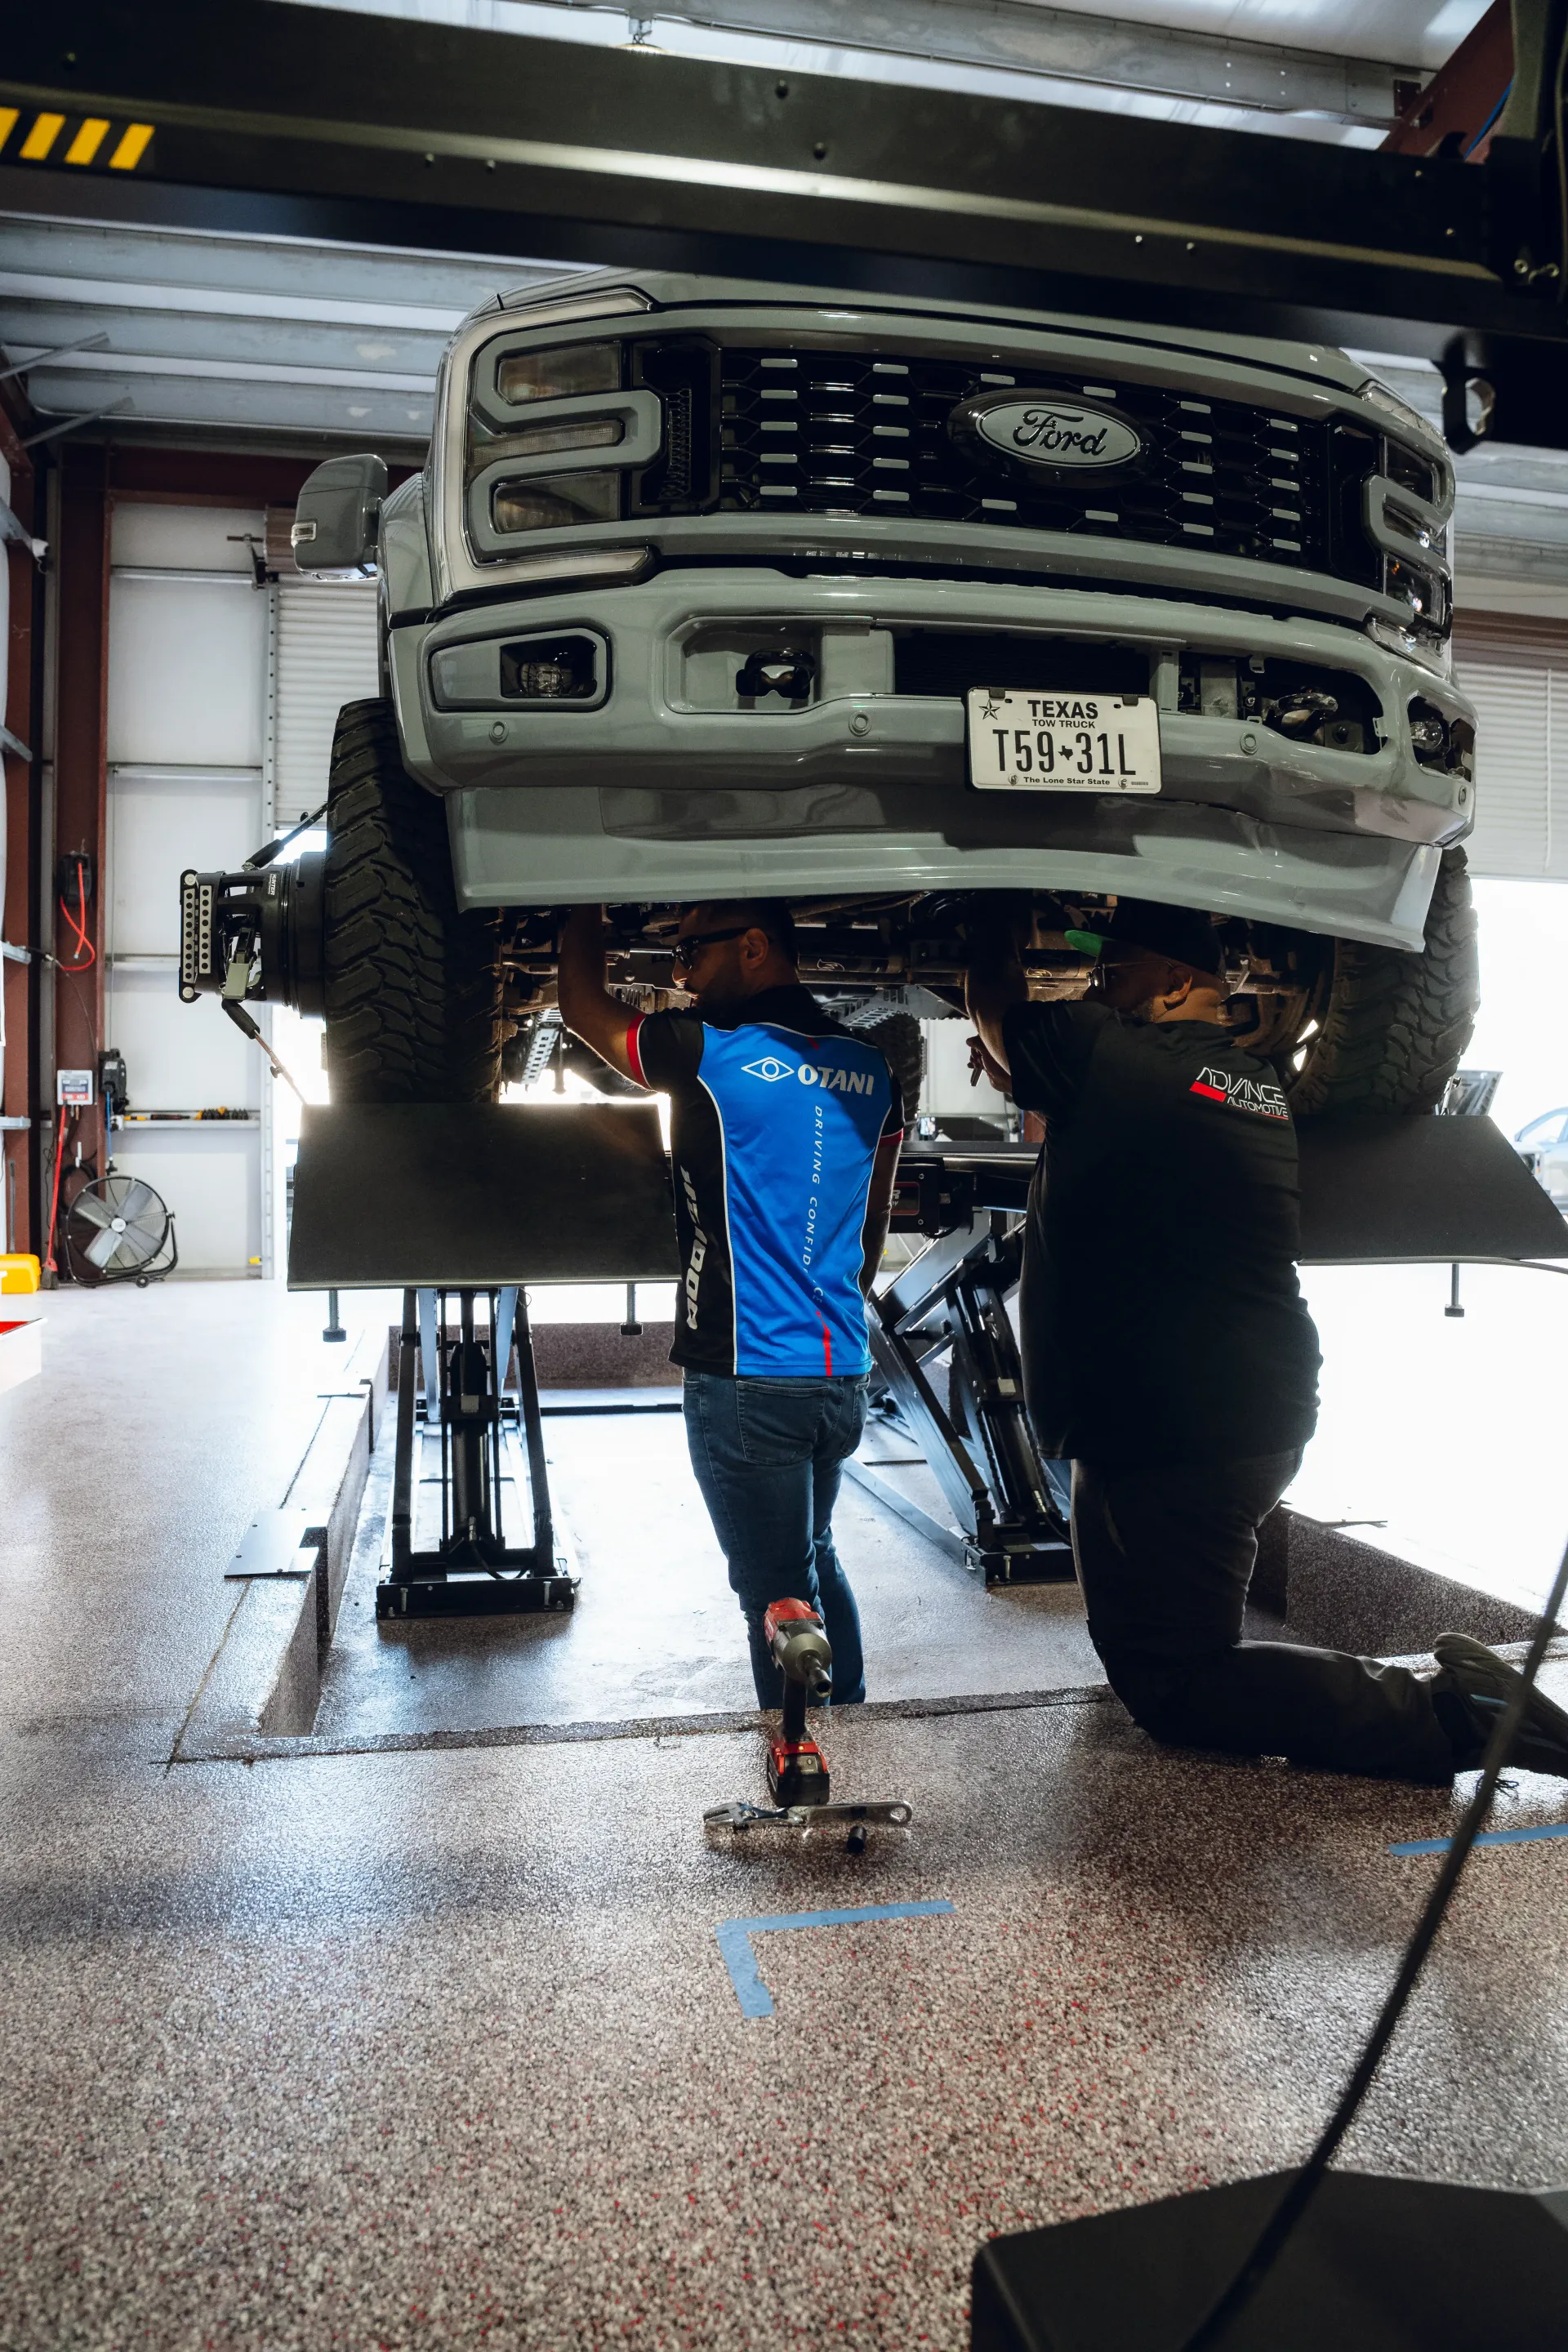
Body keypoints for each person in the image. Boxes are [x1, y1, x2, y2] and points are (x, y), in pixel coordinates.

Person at [964, 895, 1568, 1786]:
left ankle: (1454, 1713)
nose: (1097, 987)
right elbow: (1071, 1096)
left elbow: (993, 1007)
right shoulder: (1240, 1082)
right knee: (1163, 1650)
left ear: (1175, 985)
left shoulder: (1122, 1059)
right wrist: (1064, 990)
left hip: (1174, 1431)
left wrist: (993, 911)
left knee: (1177, 1681)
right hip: (1230, 1413)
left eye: (1112, 973)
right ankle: (1453, 1706)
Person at [558, 898, 904, 1708]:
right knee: (816, 1554)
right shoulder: (874, 1069)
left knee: (776, 1599)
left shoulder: (706, 1052)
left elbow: (582, 1008)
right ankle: (852, 1726)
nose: (680, 976)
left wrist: (578, 900)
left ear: (754, 948)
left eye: (690, 955)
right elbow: (872, 1225)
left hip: (747, 1384)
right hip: (840, 1374)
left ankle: (802, 1771)